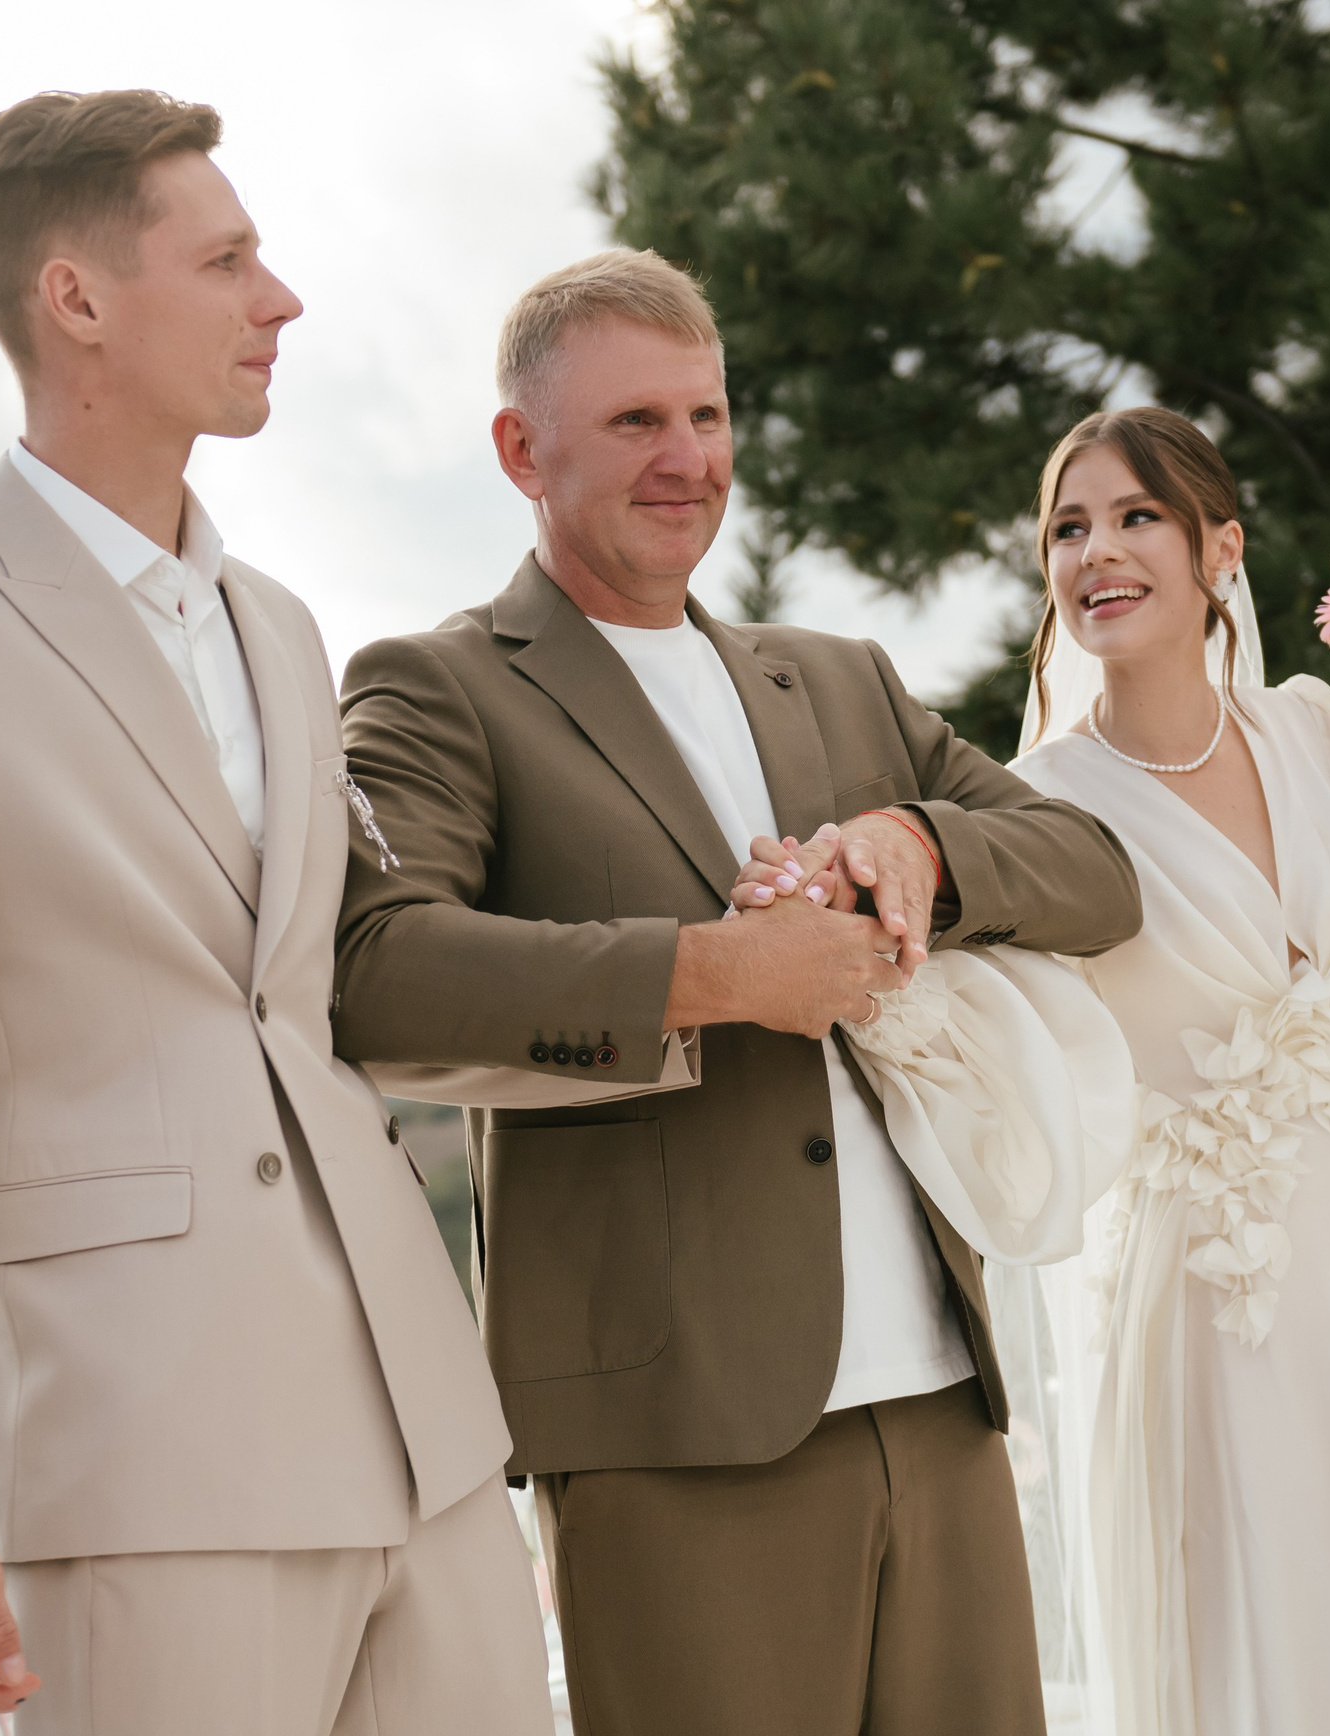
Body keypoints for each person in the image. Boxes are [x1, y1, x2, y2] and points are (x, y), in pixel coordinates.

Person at [0, 89, 548, 1736]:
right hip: (135, 1455)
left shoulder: (281, 624)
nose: (282, 299)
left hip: (425, 1435)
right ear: (79, 300)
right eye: (230, 258)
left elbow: (319, 997)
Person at [740, 406, 1330, 1734]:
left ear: (1217, 546)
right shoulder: (1043, 801)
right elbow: (1012, 1059)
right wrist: (840, 952)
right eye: (1068, 528)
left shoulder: (1309, 728)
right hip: (1237, 1310)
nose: (1096, 552)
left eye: (1135, 517)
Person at [329, 248, 1143, 1736]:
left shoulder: (840, 681)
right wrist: (713, 974)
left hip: (943, 1408)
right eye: (637, 421)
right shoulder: (436, 686)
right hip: (674, 1433)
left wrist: (919, 844)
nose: (688, 459)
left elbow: (1094, 868)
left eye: (706, 416)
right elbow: (374, 975)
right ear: (522, 448)